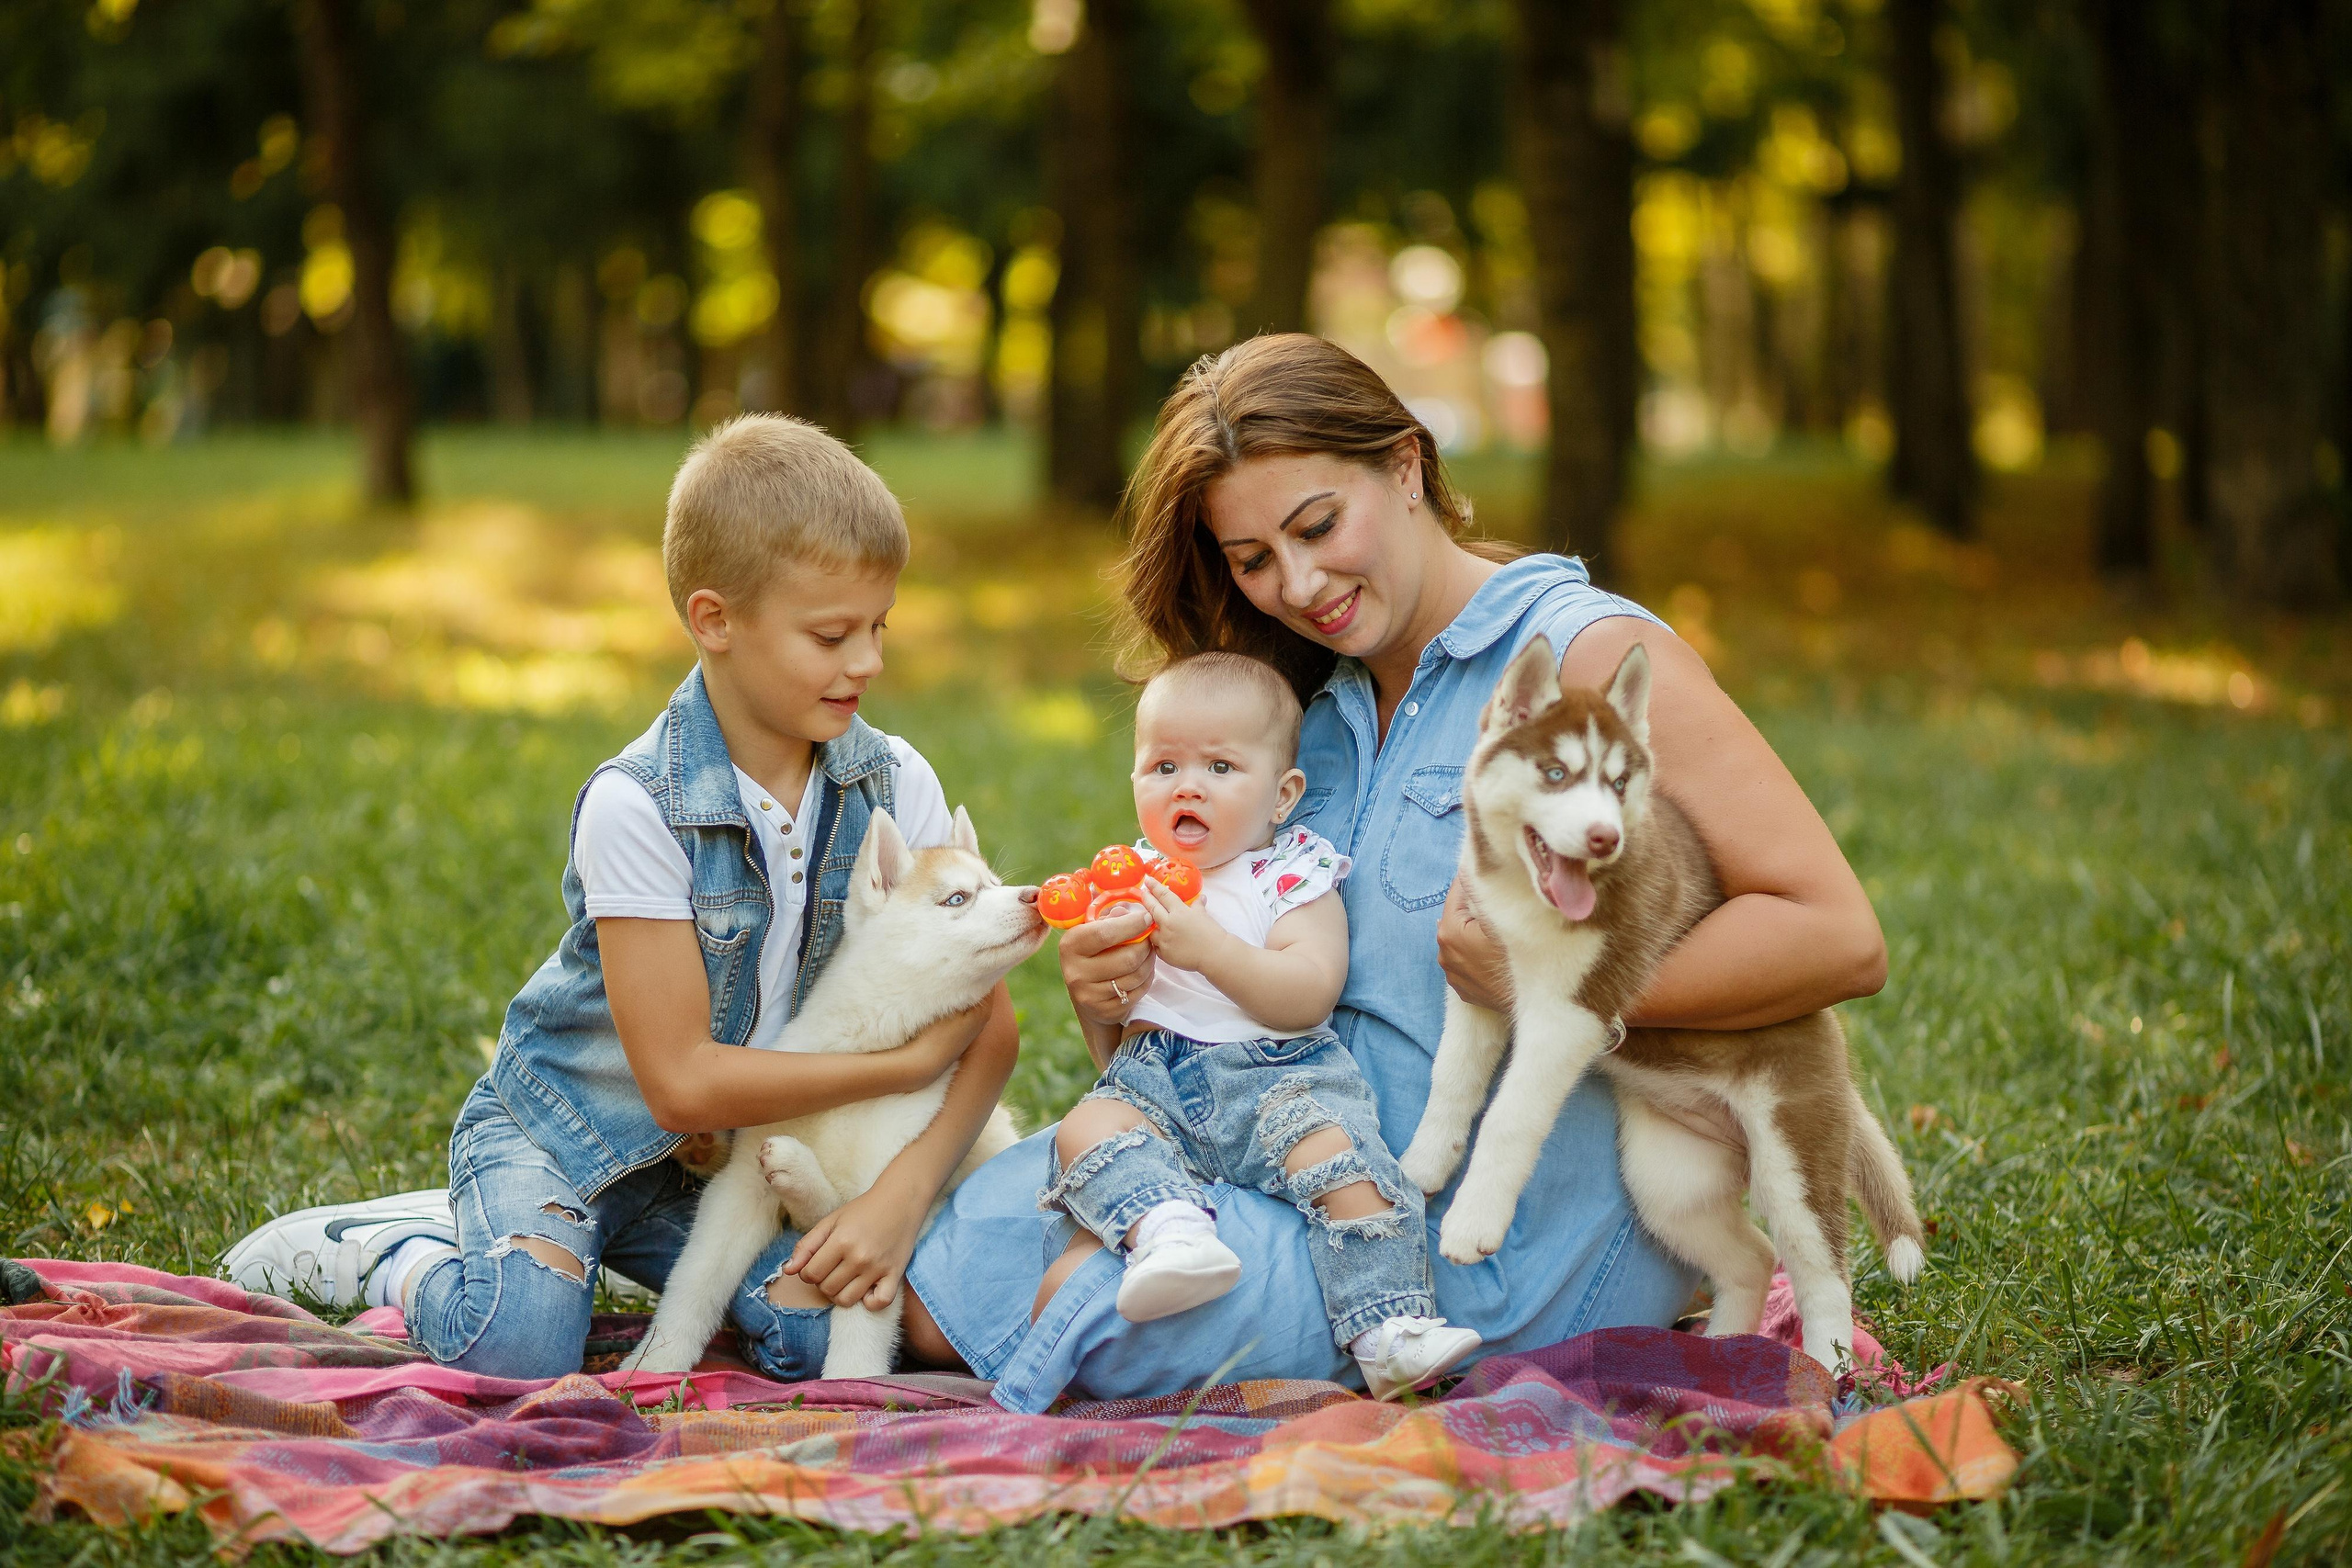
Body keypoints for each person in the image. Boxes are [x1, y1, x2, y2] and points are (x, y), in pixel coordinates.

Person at [890, 334, 1886, 1411]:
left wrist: (1546, 984)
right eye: (1251, 558)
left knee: (1076, 1309)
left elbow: (1833, 934)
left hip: (1477, 1247)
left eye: (1318, 525)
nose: (1297, 584)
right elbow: (1250, 1003)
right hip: (1274, 1160)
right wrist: (1112, 998)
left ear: (1406, 466)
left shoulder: (1583, 655)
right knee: (922, 1299)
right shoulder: (1306, 712)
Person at [222, 415, 1018, 1381]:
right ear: (714, 620)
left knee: (815, 1337)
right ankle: (401, 1251)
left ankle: (545, 1247)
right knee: (515, 1341)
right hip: (566, 1135)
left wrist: (899, 1197)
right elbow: (681, 1083)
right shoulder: (638, 804)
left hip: (716, 1166)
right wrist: (901, 1067)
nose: (868, 663)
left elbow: (990, 1033)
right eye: (830, 635)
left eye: (878, 626)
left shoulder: (892, 786)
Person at [1041, 651, 1482, 1399]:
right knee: (1085, 1128)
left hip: (1277, 1075)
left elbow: (1309, 991)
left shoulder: (1290, 872)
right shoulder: (1131, 881)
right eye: (1164, 766)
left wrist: (1211, 950)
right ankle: (1168, 1231)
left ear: (1283, 795)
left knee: (1342, 1159)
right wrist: (1104, 993)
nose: (1188, 785)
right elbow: (1114, 1036)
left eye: (1220, 767)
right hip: (1153, 1080)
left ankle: (1388, 1327)